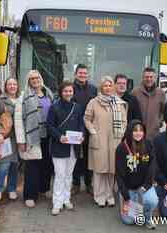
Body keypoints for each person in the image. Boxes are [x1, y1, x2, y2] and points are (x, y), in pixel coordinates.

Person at [84, 76, 127, 207]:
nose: (107, 88)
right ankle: (99, 196)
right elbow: (87, 119)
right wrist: (93, 132)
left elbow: (125, 121)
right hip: (99, 140)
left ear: (112, 87)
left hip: (115, 141)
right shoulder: (94, 102)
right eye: (105, 86)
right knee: (99, 170)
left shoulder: (119, 103)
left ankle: (109, 195)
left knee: (111, 170)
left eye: (110, 85)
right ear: (101, 88)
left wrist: (122, 133)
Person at [15, 70, 54, 208]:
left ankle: (43, 189)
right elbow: (18, 120)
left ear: (41, 79)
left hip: (48, 136)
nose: (35, 80)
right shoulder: (23, 97)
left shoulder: (49, 94)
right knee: (32, 167)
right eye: (32, 79)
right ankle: (30, 195)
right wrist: (21, 140)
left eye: (37, 78)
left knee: (46, 165)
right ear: (29, 81)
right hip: (32, 137)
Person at [47, 81, 85, 215]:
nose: (68, 93)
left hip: (73, 147)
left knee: (69, 175)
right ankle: (57, 203)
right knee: (59, 175)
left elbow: (81, 124)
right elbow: (49, 126)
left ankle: (66, 199)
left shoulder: (78, 107)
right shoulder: (54, 107)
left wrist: (82, 135)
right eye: (65, 91)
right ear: (61, 92)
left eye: (70, 91)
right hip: (59, 147)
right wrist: (59, 137)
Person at [116, 120, 158, 229]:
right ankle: (127, 204)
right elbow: (119, 174)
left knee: (152, 200)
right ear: (129, 131)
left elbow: (152, 167)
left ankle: (148, 217)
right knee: (130, 221)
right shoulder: (121, 148)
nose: (138, 133)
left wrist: (146, 186)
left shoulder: (148, 144)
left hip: (144, 186)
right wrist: (125, 195)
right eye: (135, 130)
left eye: (141, 130)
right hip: (128, 188)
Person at [0, 78, 19, 200]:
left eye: (14, 84)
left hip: (18, 138)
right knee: (4, 165)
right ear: (5, 87)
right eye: (9, 84)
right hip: (5, 137)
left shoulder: (21, 100)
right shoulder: (0, 100)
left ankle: (12, 188)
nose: (12, 86)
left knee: (14, 165)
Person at [71, 64, 97, 195]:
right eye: (80, 73)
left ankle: (88, 183)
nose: (83, 75)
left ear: (88, 75)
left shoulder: (93, 89)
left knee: (89, 157)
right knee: (75, 156)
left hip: (89, 128)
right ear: (76, 74)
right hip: (74, 129)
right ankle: (75, 184)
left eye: (85, 73)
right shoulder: (70, 88)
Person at [132, 67, 165, 140]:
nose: (149, 79)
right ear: (143, 78)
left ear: (155, 78)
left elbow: (163, 111)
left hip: (154, 134)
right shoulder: (135, 92)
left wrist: (159, 122)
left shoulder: (161, 93)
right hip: (138, 133)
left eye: (151, 77)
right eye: (146, 77)